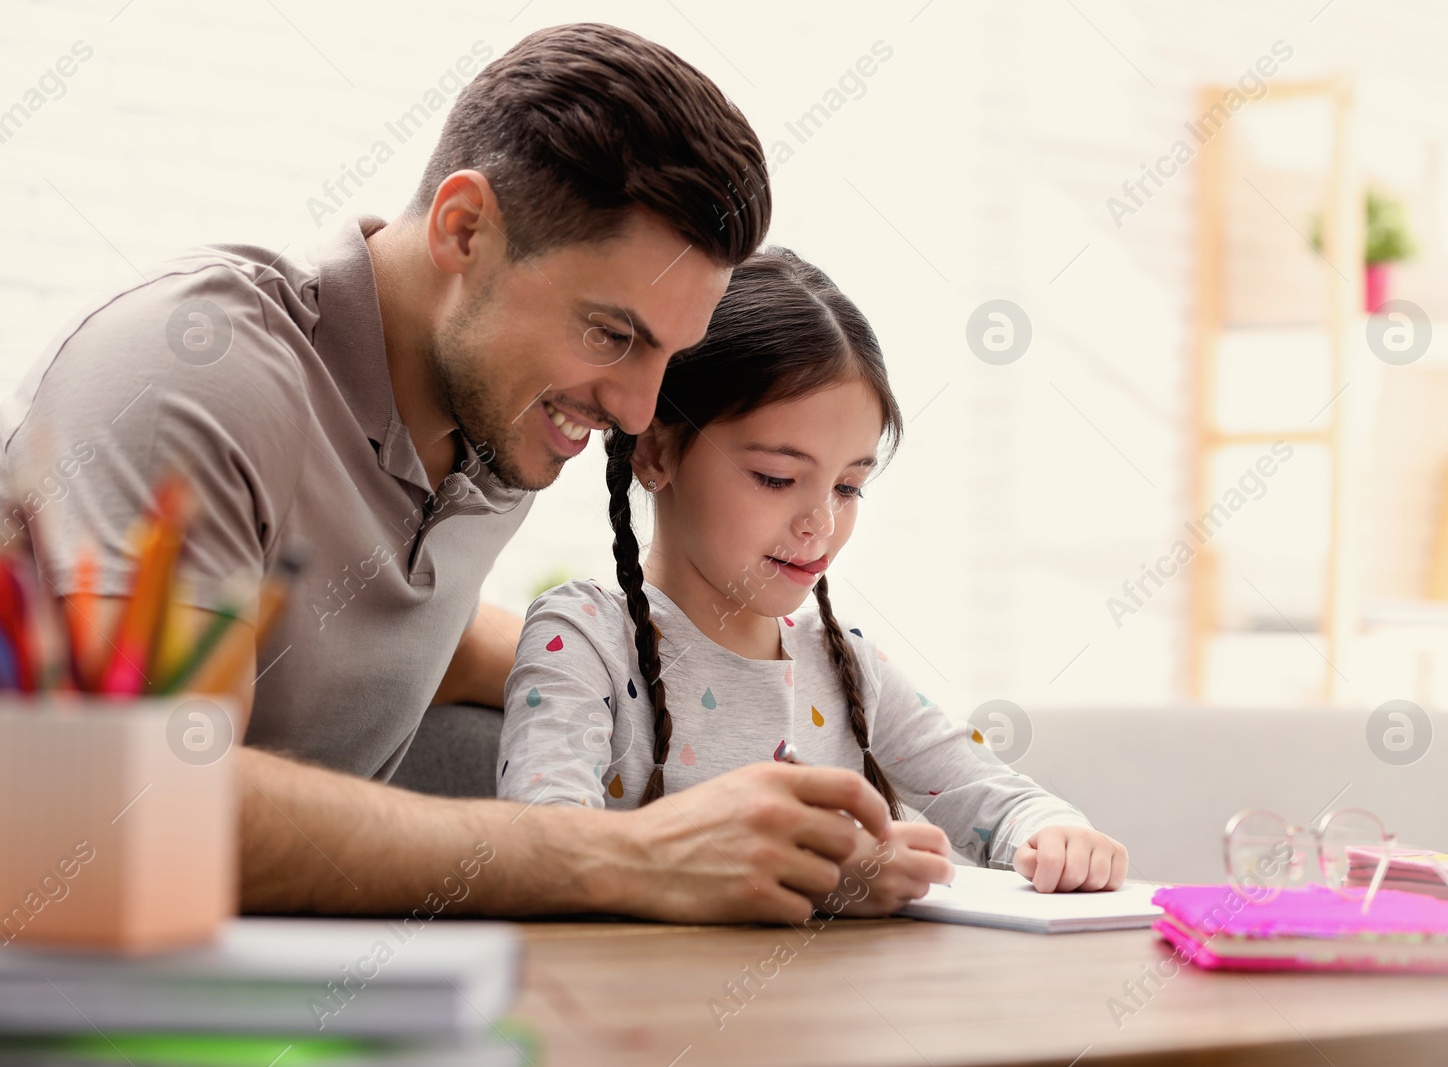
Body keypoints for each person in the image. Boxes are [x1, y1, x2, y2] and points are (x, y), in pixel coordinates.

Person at [0, 23, 895, 924]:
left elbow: (387, 642)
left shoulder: (486, 411)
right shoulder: (198, 373)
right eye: (611, 334)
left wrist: (717, 710)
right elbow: (139, 804)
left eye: (668, 353)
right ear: (464, 229)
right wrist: (620, 855)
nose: (635, 409)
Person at [498, 249, 1129, 915]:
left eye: (849, 485)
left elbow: (996, 798)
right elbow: (541, 849)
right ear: (656, 451)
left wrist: (1057, 834)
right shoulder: (586, 639)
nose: (820, 521)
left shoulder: (843, 664)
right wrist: (807, 871)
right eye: (776, 476)